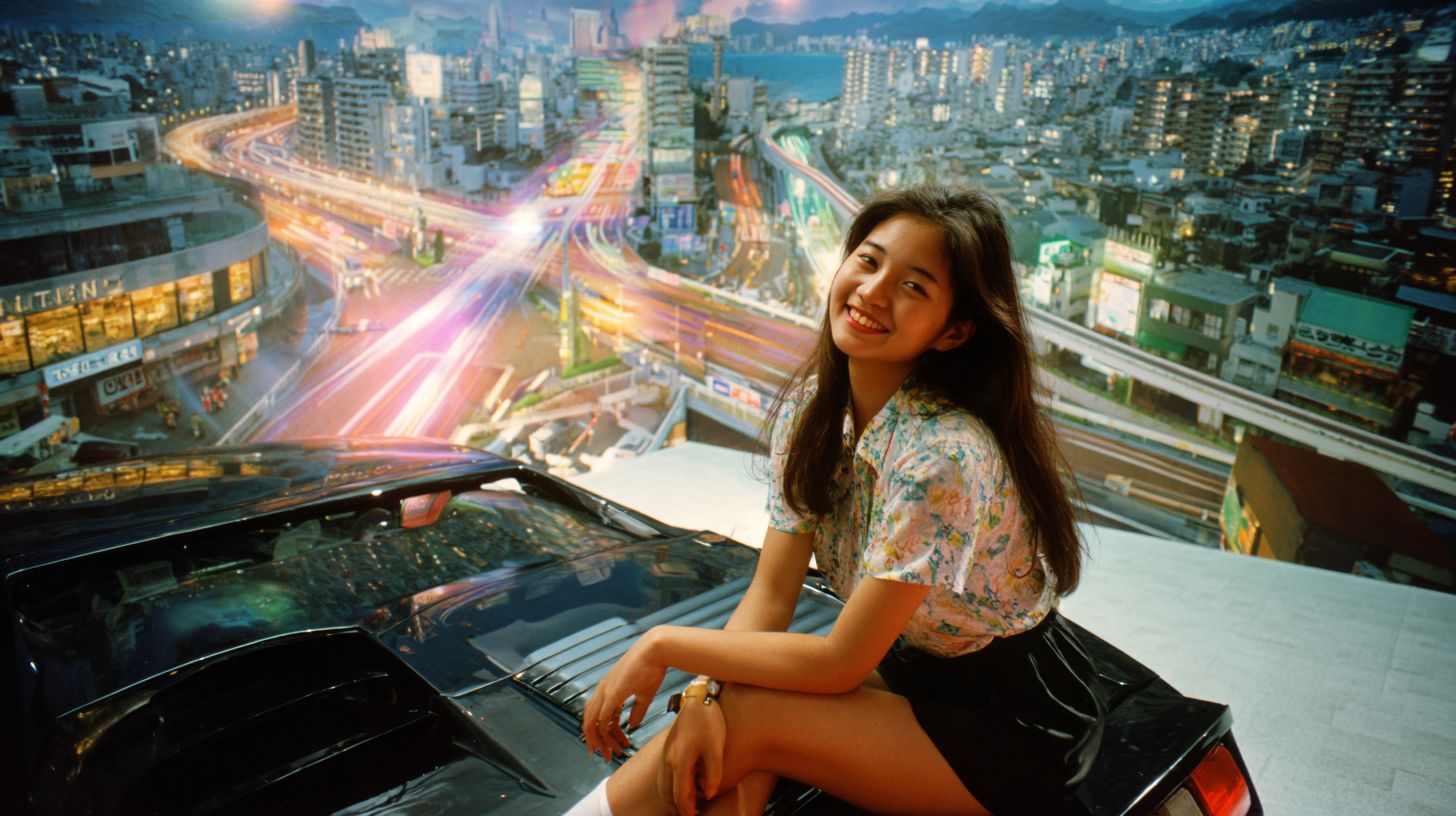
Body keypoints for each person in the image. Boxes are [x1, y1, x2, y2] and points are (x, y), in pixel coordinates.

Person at [570, 186, 1104, 816]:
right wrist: (703, 694)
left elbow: (839, 662)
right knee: (720, 723)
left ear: (955, 330)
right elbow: (772, 596)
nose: (873, 292)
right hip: (916, 668)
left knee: (747, 722)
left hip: (1015, 722)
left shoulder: (944, 458)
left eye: (914, 287)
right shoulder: (813, 414)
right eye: (869, 261)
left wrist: (662, 645)